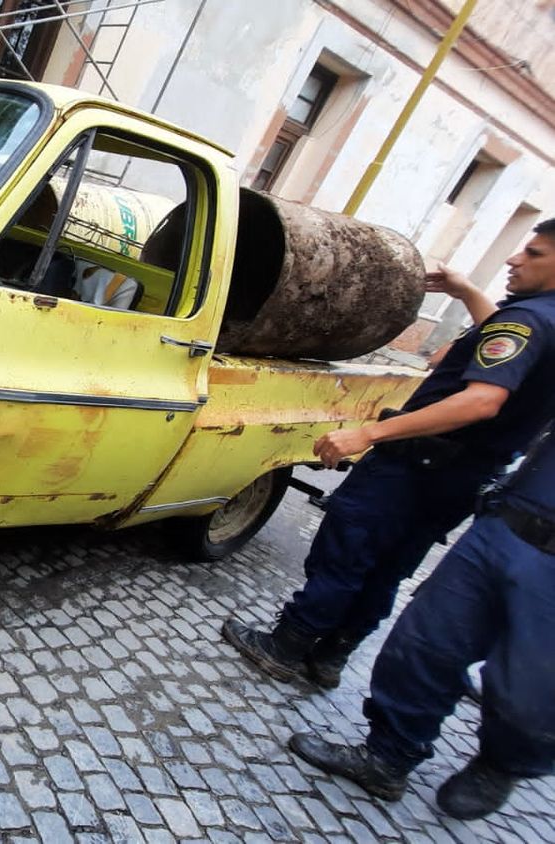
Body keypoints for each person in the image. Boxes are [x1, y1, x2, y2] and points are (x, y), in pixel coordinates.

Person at [221, 220, 555, 689]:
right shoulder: (542, 321)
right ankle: (332, 656)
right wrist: (465, 292)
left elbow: (483, 399)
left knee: (349, 548)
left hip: (415, 464)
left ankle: (288, 645)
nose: (514, 259)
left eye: (534, 254)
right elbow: (504, 346)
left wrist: (371, 434)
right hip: (465, 475)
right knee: (390, 566)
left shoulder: (526, 321)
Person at [288, 420, 555, 819]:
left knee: (531, 687)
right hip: (507, 521)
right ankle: (388, 755)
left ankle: (505, 761)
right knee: (425, 641)